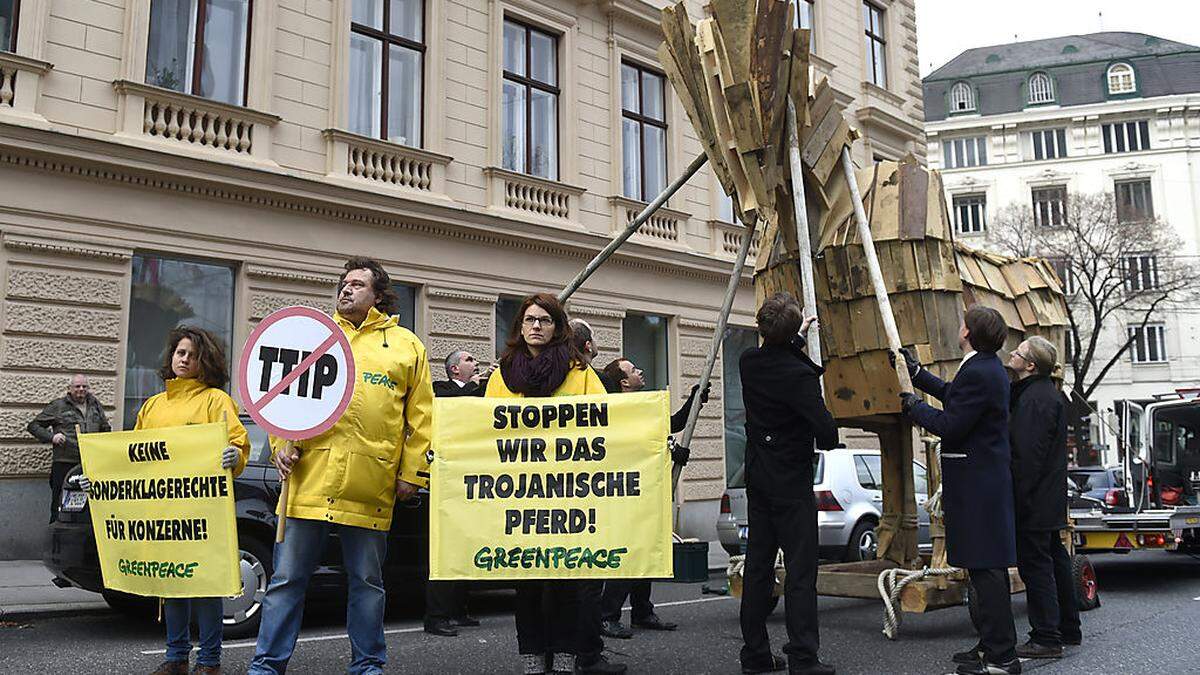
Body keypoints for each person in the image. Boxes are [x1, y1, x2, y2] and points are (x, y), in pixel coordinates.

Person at [249, 258, 433, 675]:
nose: (346, 290)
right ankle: (265, 665)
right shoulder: (313, 337)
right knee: (286, 580)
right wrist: (279, 444)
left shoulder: (407, 346)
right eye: (343, 283)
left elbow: (421, 419)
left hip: (370, 484)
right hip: (308, 481)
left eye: (357, 284)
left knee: (367, 583)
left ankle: (368, 665)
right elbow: (279, 399)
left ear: (378, 295)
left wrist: (411, 474)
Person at [82, 326, 251, 675]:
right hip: (164, 511)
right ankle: (176, 657)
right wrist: (96, 478)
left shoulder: (216, 401)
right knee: (172, 585)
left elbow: (237, 441)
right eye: (179, 352)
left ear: (206, 360)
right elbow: (133, 459)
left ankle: (208, 662)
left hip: (202, 513)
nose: (184, 359)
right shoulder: (153, 405)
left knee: (206, 586)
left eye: (191, 353)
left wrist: (235, 455)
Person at [485, 293, 607, 675]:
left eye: (545, 320)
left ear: (557, 328)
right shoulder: (501, 374)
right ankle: (533, 655)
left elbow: (606, 421)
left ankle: (567, 653)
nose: (536, 326)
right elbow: (484, 428)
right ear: (520, 326)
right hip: (519, 496)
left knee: (566, 580)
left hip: (568, 493)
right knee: (528, 583)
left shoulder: (580, 373)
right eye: (529, 320)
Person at [895, 305, 1020, 675]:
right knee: (981, 570)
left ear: (968, 333)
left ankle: (1002, 656)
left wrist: (914, 408)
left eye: (963, 323)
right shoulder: (983, 367)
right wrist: (918, 375)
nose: (959, 326)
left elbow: (951, 424)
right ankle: (990, 645)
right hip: (978, 482)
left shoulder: (981, 371)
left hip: (978, 485)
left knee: (987, 571)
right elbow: (954, 394)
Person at [738, 292, 838, 675]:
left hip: (759, 478)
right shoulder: (800, 376)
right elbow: (826, 434)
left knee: (758, 568)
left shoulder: (749, 362)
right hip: (791, 483)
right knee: (800, 574)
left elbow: (774, 358)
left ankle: (755, 655)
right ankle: (803, 657)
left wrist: (794, 337)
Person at [596, 357, 704, 640]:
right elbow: (635, 450)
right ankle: (607, 616)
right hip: (625, 494)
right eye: (633, 370)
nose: (640, 371)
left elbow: (670, 425)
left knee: (645, 551)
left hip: (646, 494)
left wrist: (695, 399)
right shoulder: (617, 412)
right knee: (631, 553)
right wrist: (669, 452)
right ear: (623, 382)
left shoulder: (642, 408)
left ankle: (643, 611)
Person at [1006, 336, 1081, 658]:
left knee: (1036, 566)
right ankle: (1068, 627)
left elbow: (1027, 457)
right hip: (1048, 496)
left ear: (1030, 365)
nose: (1012, 353)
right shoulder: (1046, 394)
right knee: (1055, 558)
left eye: (1018, 352)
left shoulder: (1034, 400)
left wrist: (1017, 500)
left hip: (1034, 499)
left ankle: (1046, 638)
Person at [566, 319, 628, 675]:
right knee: (587, 578)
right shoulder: (589, 380)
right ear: (586, 346)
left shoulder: (548, 374)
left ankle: (566, 652)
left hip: (557, 492)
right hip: (584, 489)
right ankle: (586, 654)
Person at [424, 350, 485, 637]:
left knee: (464, 546)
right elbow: (453, 408)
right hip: (447, 480)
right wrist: (476, 386)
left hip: (470, 478)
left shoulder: (480, 390)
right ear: (454, 369)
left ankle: (459, 610)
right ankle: (436, 616)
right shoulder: (442, 389)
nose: (476, 363)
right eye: (469, 359)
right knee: (444, 549)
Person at [27, 374, 110, 521]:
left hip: (90, 465)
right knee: (60, 505)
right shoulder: (58, 406)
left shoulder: (95, 404)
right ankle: (56, 537)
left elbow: (105, 428)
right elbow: (34, 426)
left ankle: (86, 540)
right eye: (77, 386)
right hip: (65, 463)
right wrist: (51, 437)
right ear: (69, 388)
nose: (81, 389)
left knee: (90, 507)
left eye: (84, 386)